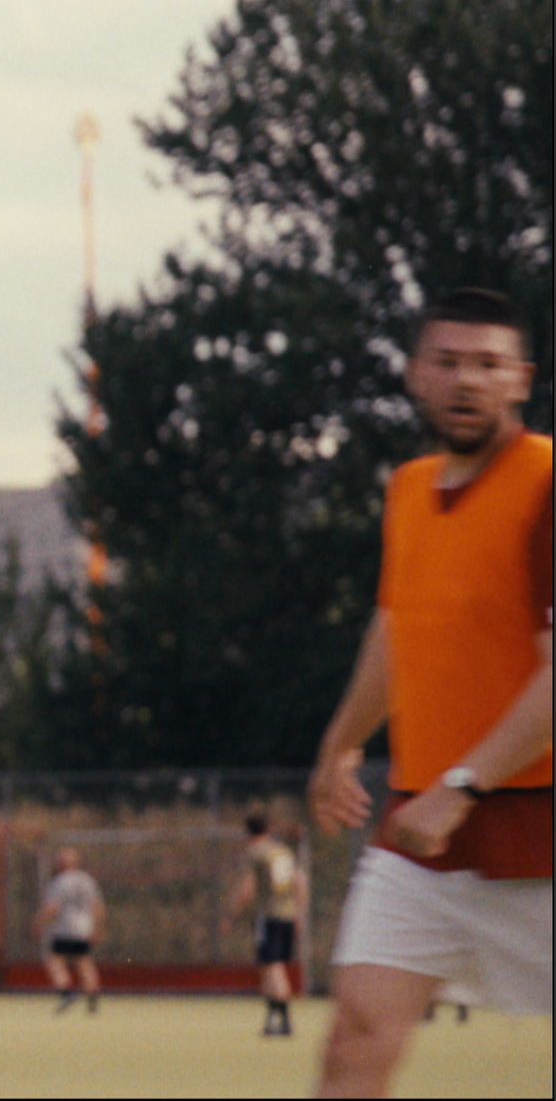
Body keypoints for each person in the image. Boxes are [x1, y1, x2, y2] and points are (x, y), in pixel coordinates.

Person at [310, 288, 551, 1097]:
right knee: (358, 1033)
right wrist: (342, 743)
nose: (467, 380)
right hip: (423, 833)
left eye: (488, 364)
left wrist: (462, 785)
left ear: (521, 379)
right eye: (447, 362)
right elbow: (395, 630)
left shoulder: (548, 484)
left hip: (536, 827)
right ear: (415, 375)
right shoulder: (409, 489)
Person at [227, 815, 309, 1036]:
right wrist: (300, 913)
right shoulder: (282, 851)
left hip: (268, 915)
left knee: (272, 965)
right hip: (288, 915)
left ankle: (283, 1020)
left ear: (248, 832)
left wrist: (231, 915)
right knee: (271, 966)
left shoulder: (255, 852)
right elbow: (300, 881)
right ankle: (272, 1019)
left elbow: (247, 888)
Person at [35, 847, 104, 1014]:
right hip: (84, 927)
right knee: (83, 962)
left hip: (65, 928)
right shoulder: (88, 880)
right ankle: (92, 998)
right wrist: (97, 928)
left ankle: (66, 992)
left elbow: (53, 907)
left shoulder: (60, 881)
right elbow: (98, 906)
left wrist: (38, 923)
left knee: (55, 961)